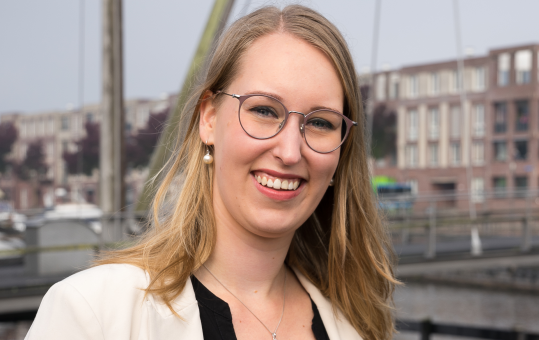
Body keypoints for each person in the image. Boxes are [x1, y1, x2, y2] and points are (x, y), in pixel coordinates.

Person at [25, 5, 397, 340]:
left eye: (319, 122)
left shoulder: (357, 326)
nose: (289, 151)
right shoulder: (94, 314)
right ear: (209, 118)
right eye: (264, 111)